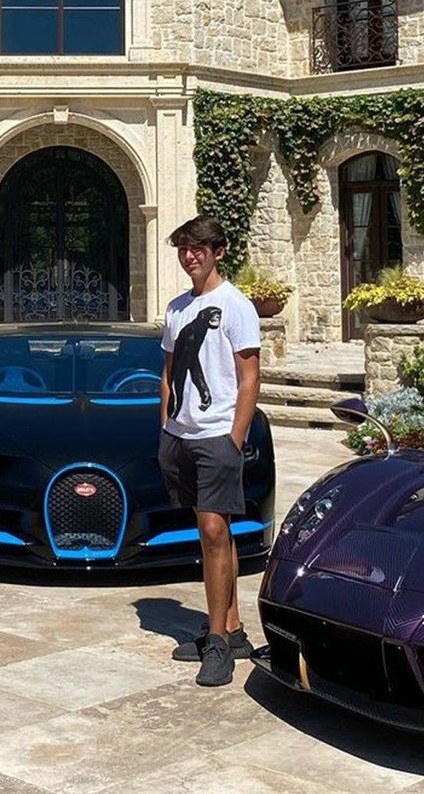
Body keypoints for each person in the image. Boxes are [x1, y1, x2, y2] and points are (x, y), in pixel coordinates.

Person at [157, 215, 261, 687]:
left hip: (218, 435)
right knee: (217, 533)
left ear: (218, 252)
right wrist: (166, 428)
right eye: (183, 248)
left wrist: (234, 438)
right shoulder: (178, 308)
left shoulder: (236, 305)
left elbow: (249, 376)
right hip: (182, 435)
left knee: (213, 529)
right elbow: (169, 372)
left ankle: (217, 642)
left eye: (198, 248)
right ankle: (233, 629)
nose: (189, 256)